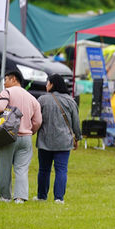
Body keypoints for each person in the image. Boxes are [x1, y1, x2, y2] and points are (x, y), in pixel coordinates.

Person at [0, 70, 42, 203]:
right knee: (21, 169)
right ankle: (20, 197)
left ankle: (4, 197)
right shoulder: (32, 97)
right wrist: (30, 131)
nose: (5, 83)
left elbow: (0, 106)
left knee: (4, 167)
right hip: (26, 138)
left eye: (6, 79)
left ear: (13, 79)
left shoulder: (7, 92)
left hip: (7, 136)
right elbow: (38, 121)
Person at [36, 74, 81, 203]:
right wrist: (77, 137)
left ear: (52, 85)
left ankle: (41, 196)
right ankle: (59, 198)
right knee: (61, 170)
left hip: (45, 140)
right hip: (64, 141)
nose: (46, 85)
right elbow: (75, 122)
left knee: (44, 169)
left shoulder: (42, 100)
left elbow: (37, 120)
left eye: (47, 83)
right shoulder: (70, 100)